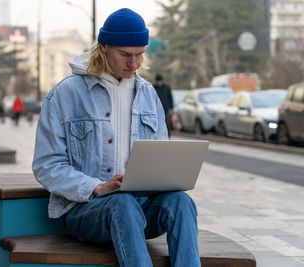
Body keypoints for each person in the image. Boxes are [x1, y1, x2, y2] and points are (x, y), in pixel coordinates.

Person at [32, 8, 200, 267]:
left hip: (141, 210)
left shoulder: (148, 95)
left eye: (140, 54)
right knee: (121, 203)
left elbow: (160, 158)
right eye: (125, 55)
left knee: (181, 202)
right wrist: (97, 187)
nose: (133, 63)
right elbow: (47, 165)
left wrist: (166, 178)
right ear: (104, 48)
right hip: (86, 211)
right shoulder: (65, 94)